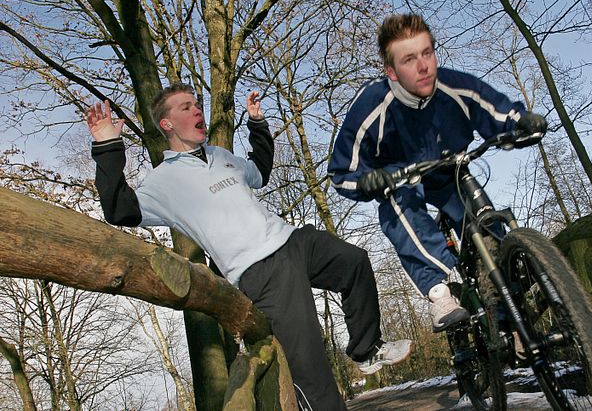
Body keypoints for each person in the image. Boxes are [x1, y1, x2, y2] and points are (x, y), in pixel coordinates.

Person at [87, 83, 412, 410]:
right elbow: (120, 210)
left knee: (353, 261)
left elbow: (261, 170)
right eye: (185, 107)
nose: (197, 110)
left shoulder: (221, 156)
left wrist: (257, 124)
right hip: (259, 270)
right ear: (167, 124)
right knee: (310, 368)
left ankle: (366, 349)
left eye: (197, 104)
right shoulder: (163, 182)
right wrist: (107, 146)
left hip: (292, 241)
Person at [328, 13, 547, 333]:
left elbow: (497, 111)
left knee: (486, 224)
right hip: (400, 178)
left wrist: (521, 124)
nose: (423, 67)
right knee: (400, 200)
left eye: (427, 53)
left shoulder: (454, 86)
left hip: (450, 172)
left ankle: (508, 308)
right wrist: (366, 182)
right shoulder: (372, 105)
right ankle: (439, 293)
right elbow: (341, 171)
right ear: (391, 71)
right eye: (409, 59)